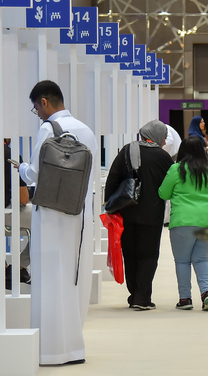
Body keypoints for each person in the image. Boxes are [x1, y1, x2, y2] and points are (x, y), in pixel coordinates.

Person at [17, 80, 98, 365]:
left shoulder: (47, 129)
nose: (37, 113)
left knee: (49, 279)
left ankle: (50, 350)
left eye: (36, 107)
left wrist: (21, 167)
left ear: (44, 102)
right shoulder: (86, 130)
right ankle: (73, 348)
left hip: (51, 214)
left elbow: (34, 173)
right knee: (73, 277)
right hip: (78, 214)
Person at [104, 120, 174, 311]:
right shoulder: (163, 157)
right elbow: (173, 183)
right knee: (148, 255)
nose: (165, 140)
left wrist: (109, 204)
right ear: (157, 135)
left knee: (130, 253)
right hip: (152, 215)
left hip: (127, 212)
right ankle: (142, 297)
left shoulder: (127, 150)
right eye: (164, 136)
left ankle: (134, 294)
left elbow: (113, 177)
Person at [158, 136, 208, 310]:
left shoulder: (175, 169)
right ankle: (207, 293)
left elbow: (163, 194)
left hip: (183, 221)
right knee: (201, 259)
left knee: (182, 261)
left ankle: (185, 299)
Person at [4, 138, 31, 287]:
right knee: (45, 219)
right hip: (6, 213)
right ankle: (20, 266)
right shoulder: (11, 156)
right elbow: (23, 199)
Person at [163, 124, 182, 226]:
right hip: (172, 161)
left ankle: (167, 219)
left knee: (170, 189)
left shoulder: (165, 129)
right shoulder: (166, 128)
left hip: (172, 161)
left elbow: (169, 142)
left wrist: (158, 151)